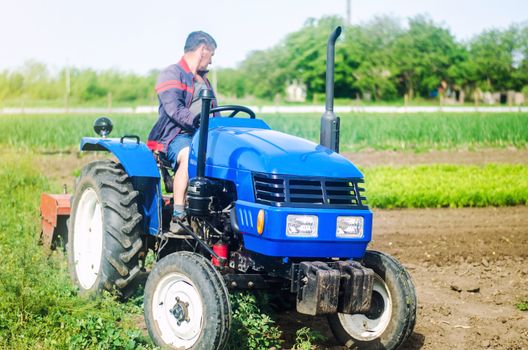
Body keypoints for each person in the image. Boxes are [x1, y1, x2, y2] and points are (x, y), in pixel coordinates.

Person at [148, 31, 217, 221]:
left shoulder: (205, 81)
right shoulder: (172, 73)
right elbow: (174, 109)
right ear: (203, 49)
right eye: (211, 54)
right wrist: (197, 121)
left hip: (202, 135)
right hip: (177, 136)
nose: (211, 61)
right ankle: (179, 212)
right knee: (190, 155)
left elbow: (214, 113)